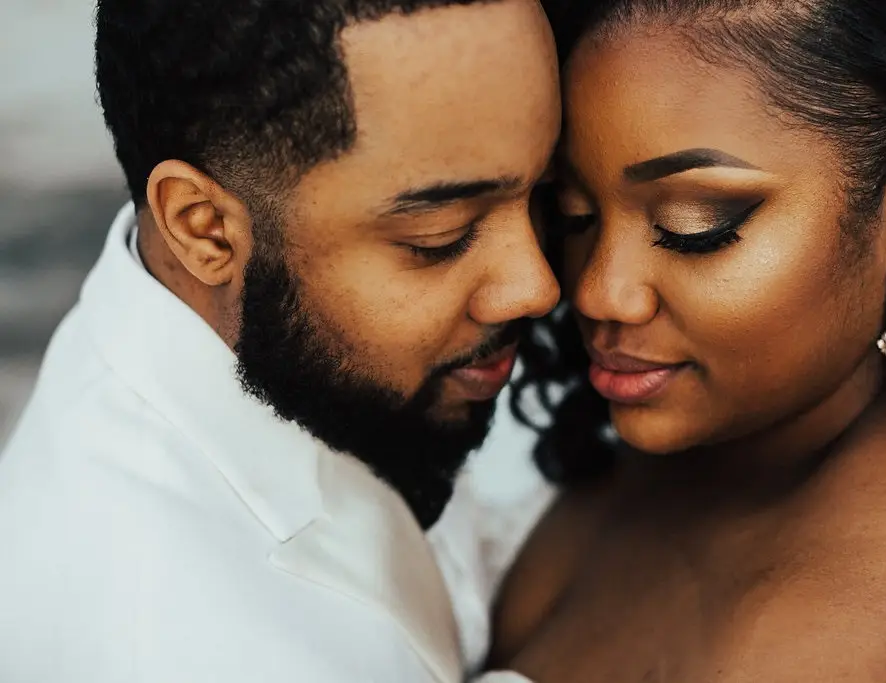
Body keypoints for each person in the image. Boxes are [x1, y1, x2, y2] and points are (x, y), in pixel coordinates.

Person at [0, 0, 561, 680]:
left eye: (551, 196)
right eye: (437, 240)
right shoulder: (178, 642)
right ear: (205, 230)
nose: (538, 287)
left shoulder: (295, 353)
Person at [494, 0, 886, 680]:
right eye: (574, 214)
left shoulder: (877, 636)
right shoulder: (696, 461)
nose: (599, 292)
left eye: (697, 225)